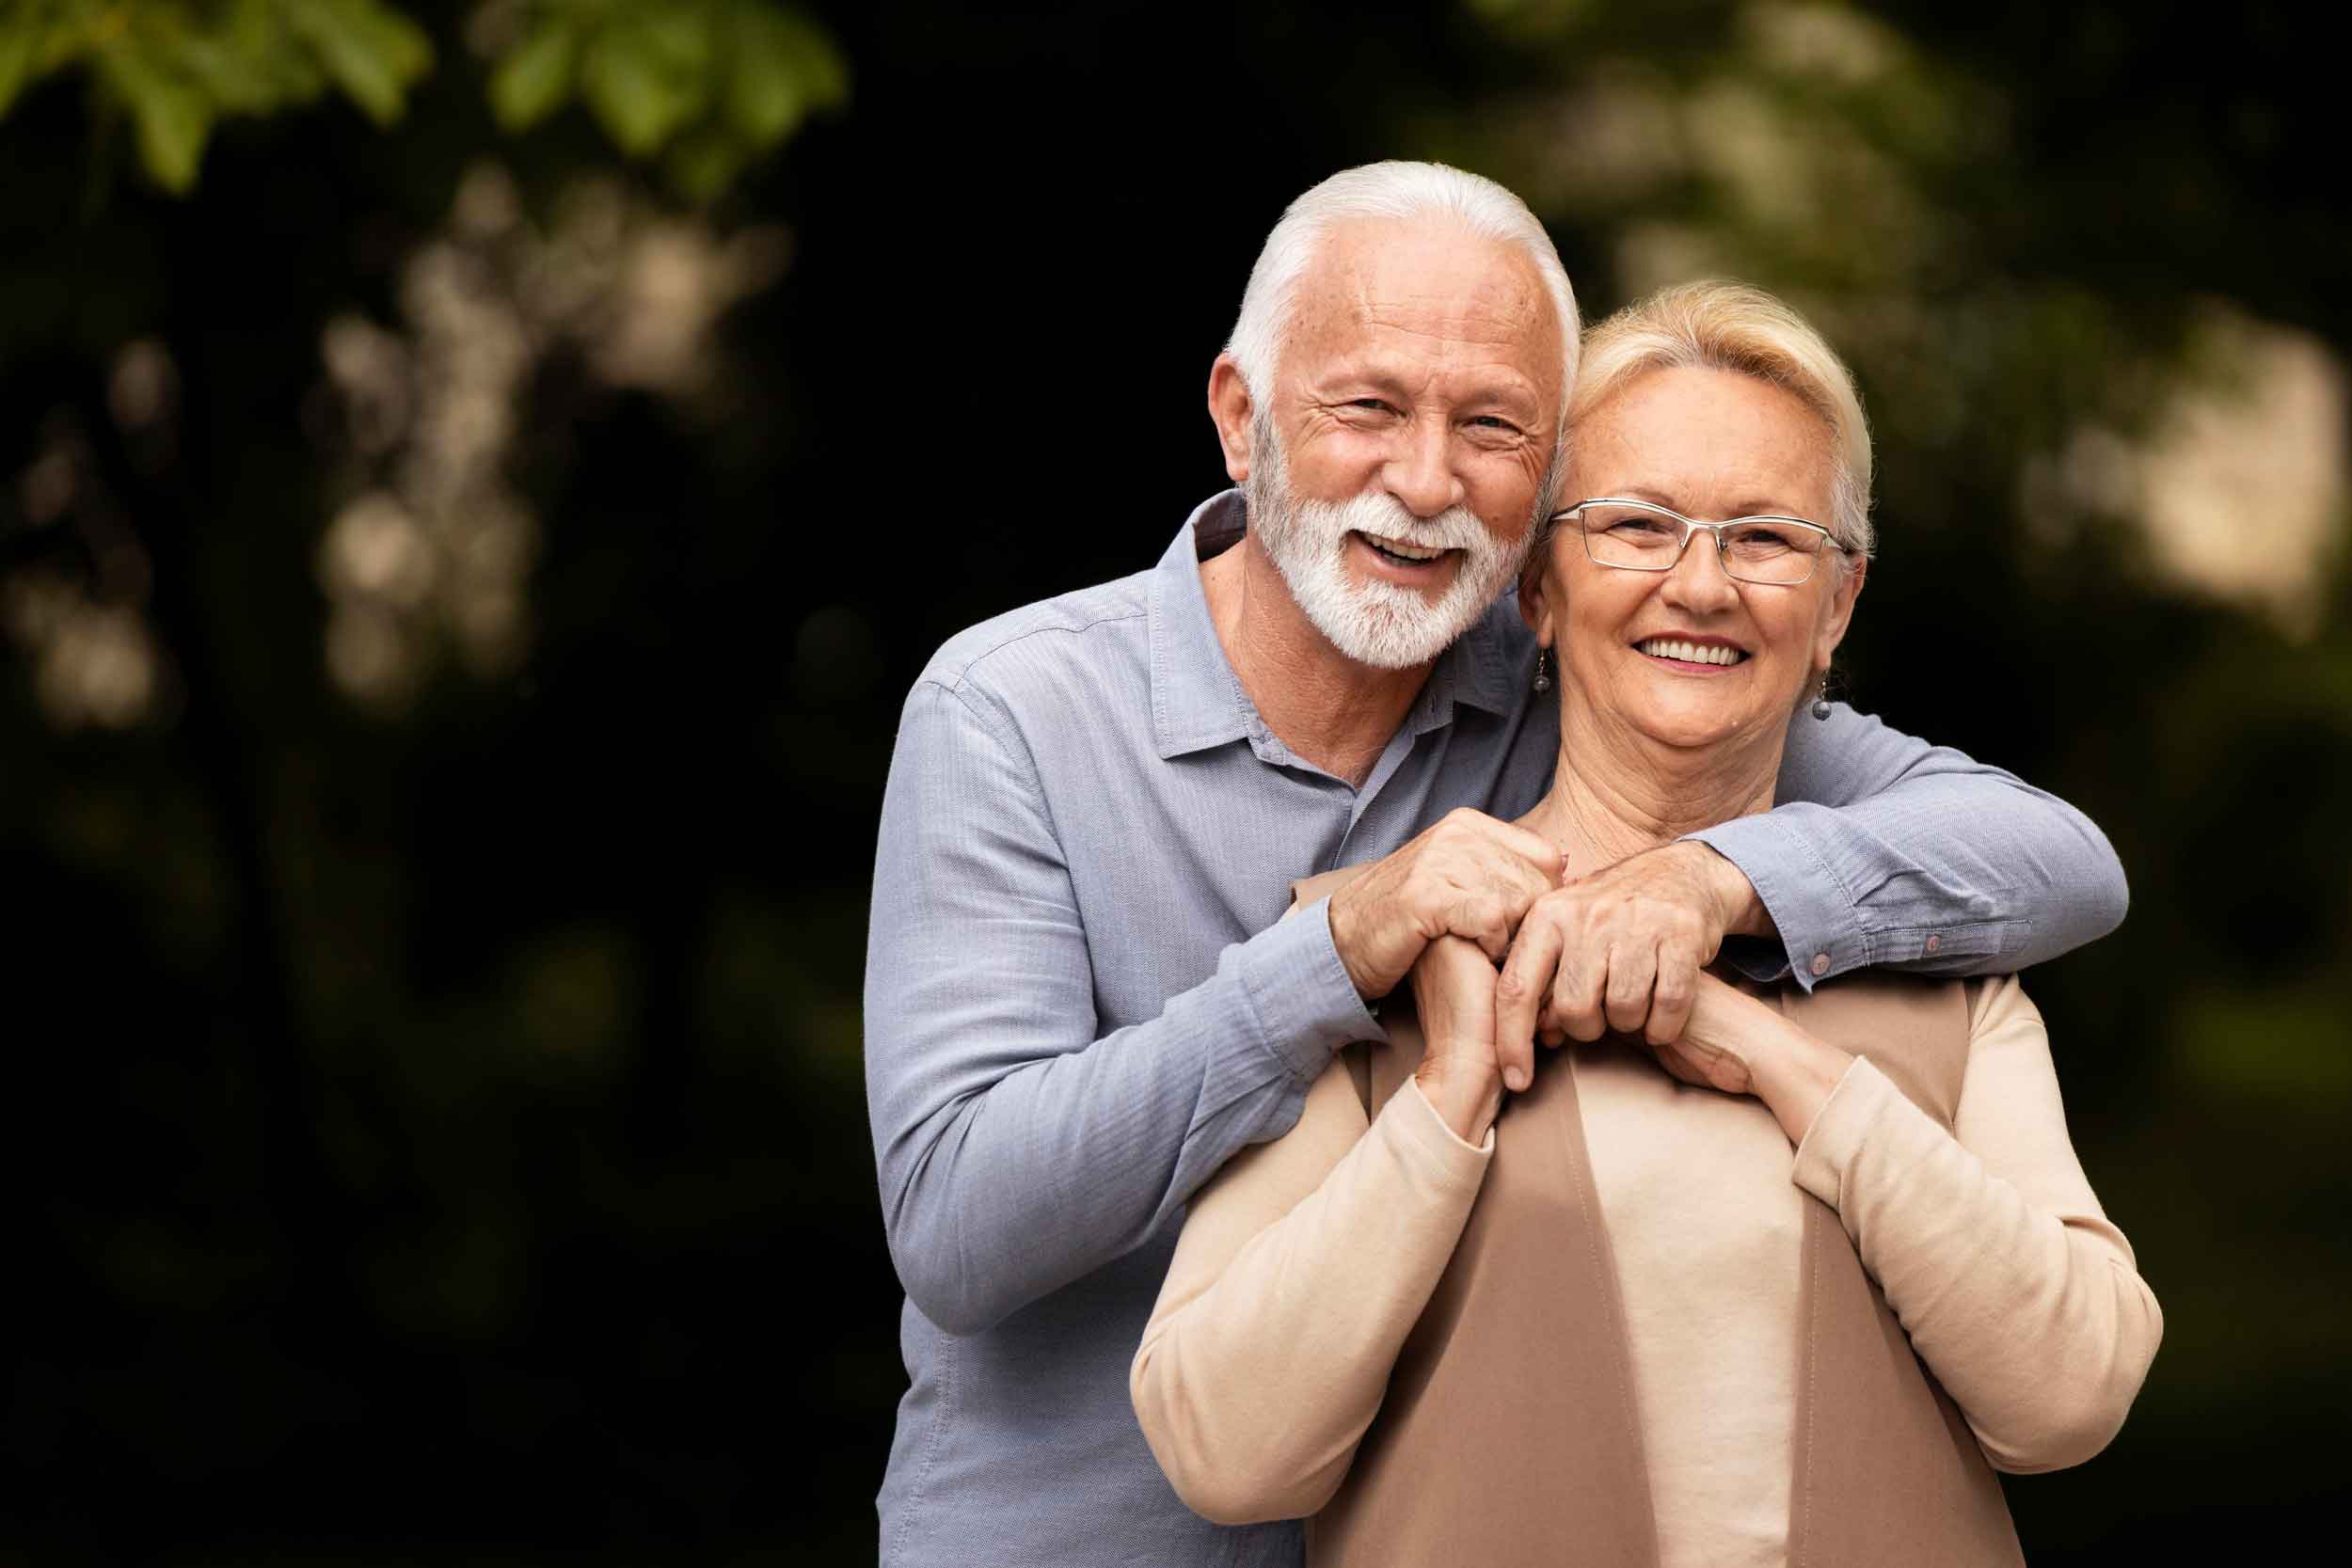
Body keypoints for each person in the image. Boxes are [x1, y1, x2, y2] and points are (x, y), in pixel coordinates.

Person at [865, 163, 2129, 1568]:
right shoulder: (1013, 712)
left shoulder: (1587, 664)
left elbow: (2058, 861)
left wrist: (1712, 881)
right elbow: (961, 1227)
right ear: (1242, 418)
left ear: (1538, 511)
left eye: (1493, 426)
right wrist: (1331, 961)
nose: (1424, 479)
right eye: (1368, 407)